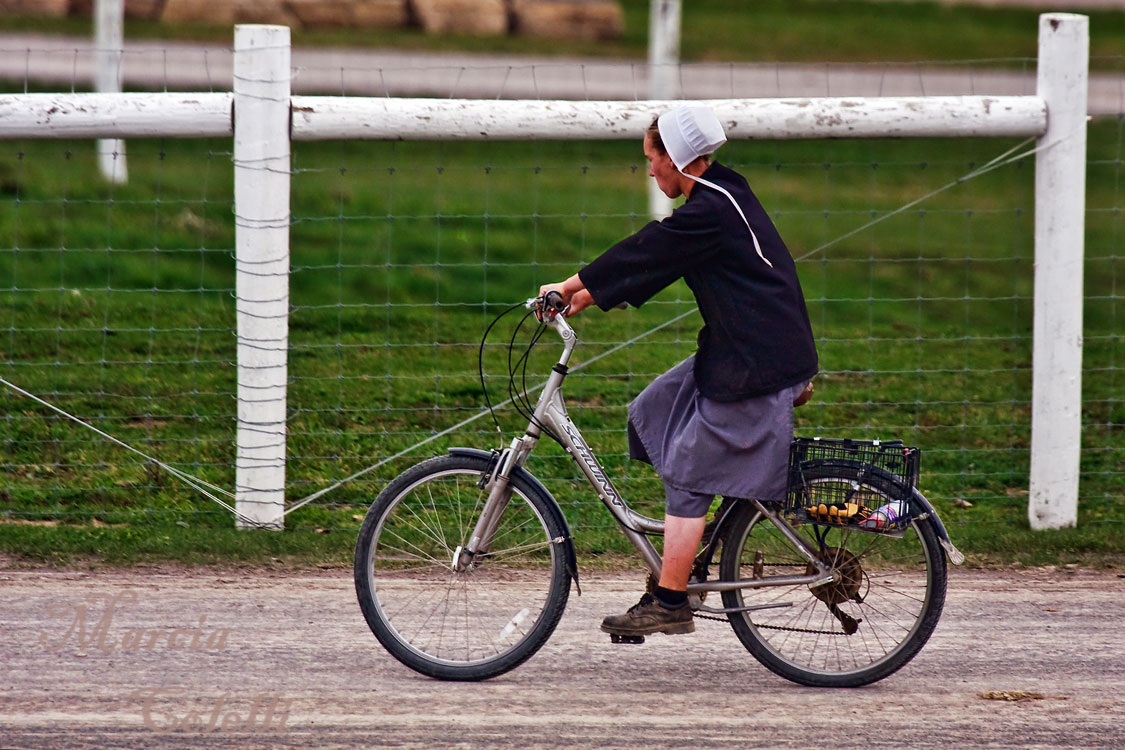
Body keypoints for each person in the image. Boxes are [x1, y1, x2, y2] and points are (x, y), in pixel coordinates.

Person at [538, 105, 818, 639]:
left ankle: (671, 600)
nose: (649, 171)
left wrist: (574, 288)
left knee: (690, 474)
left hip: (757, 363)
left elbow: (652, 248)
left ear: (678, 158)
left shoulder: (709, 210)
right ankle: (689, 547)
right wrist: (581, 292)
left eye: (652, 159)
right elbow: (658, 255)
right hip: (743, 350)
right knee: (656, 408)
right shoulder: (720, 193)